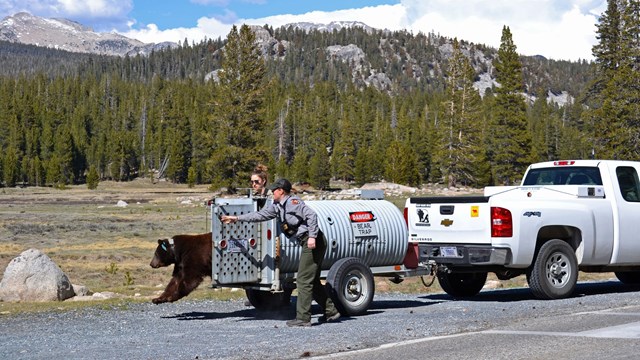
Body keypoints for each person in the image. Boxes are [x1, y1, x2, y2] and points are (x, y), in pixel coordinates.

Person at [221, 178, 341, 327]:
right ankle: (331, 311)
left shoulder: (293, 202)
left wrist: (312, 237)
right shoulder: (276, 206)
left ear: (281, 191)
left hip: (314, 243)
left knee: (303, 279)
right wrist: (236, 218)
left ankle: (303, 318)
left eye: (274, 190)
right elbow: (260, 215)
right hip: (306, 242)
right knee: (312, 280)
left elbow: (312, 216)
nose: (272, 192)